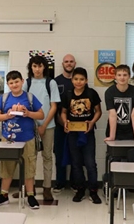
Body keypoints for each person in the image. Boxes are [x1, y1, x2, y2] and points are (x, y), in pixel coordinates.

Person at [0, 70, 44, 210]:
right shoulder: (4, 98)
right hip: (8, 140)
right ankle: (3, 195)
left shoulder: (30, 97)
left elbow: (41, 115)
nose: (14, 84)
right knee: (6, 167)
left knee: (29, 167)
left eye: (17, 81)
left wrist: (28, 113)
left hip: (27, 139)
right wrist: (6, 116)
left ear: (22, 82)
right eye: (11, 82)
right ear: (8, 84)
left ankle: (30, 195)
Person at [61, 67, 102, 204]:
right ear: (72, 80)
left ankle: (93, 191)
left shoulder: (92, 93)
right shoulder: (67, 94)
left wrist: (92, 122)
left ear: (86, 80)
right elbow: (63, 112)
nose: (79, 82)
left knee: (90, 163)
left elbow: (98, 111)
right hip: (72, 133)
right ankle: (80, 189)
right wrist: (65, 122)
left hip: (87, 133)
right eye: (76, 79)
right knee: (76, 163)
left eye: (82, 79)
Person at [23, 56, 61, 201]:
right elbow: (23, 104)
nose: (37, 69)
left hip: (48, 126)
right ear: (31, 67)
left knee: (47, 157)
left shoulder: (50, 83)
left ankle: (47, 188)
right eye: (34, 66)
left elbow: (54, 107)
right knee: (29, 158)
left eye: (40, 66)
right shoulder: (27, 83)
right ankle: (29, 189)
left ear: (44, 67)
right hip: (30, 127)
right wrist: (34, 124)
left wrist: (44, 125)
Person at [53, 54, 77, 193]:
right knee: (59, 154)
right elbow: (54, 105)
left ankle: (75, 182)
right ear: (62, 64)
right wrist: (62, 122)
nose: (69, 64)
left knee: (76, 154)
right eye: (66, 62)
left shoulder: (79, 80)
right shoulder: (55, 82)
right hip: (59, 125)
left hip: (77, 125)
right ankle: (60, 182)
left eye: (71, 61)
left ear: (75, 63)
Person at [104, 64, 134, 141]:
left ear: (129, 76)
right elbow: (112, 115)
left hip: (130, 130)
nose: (122, 78)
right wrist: (112, 137)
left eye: (125, 75)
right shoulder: (109, 92)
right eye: (119, 75)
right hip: (114, 130)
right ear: (115, 77)